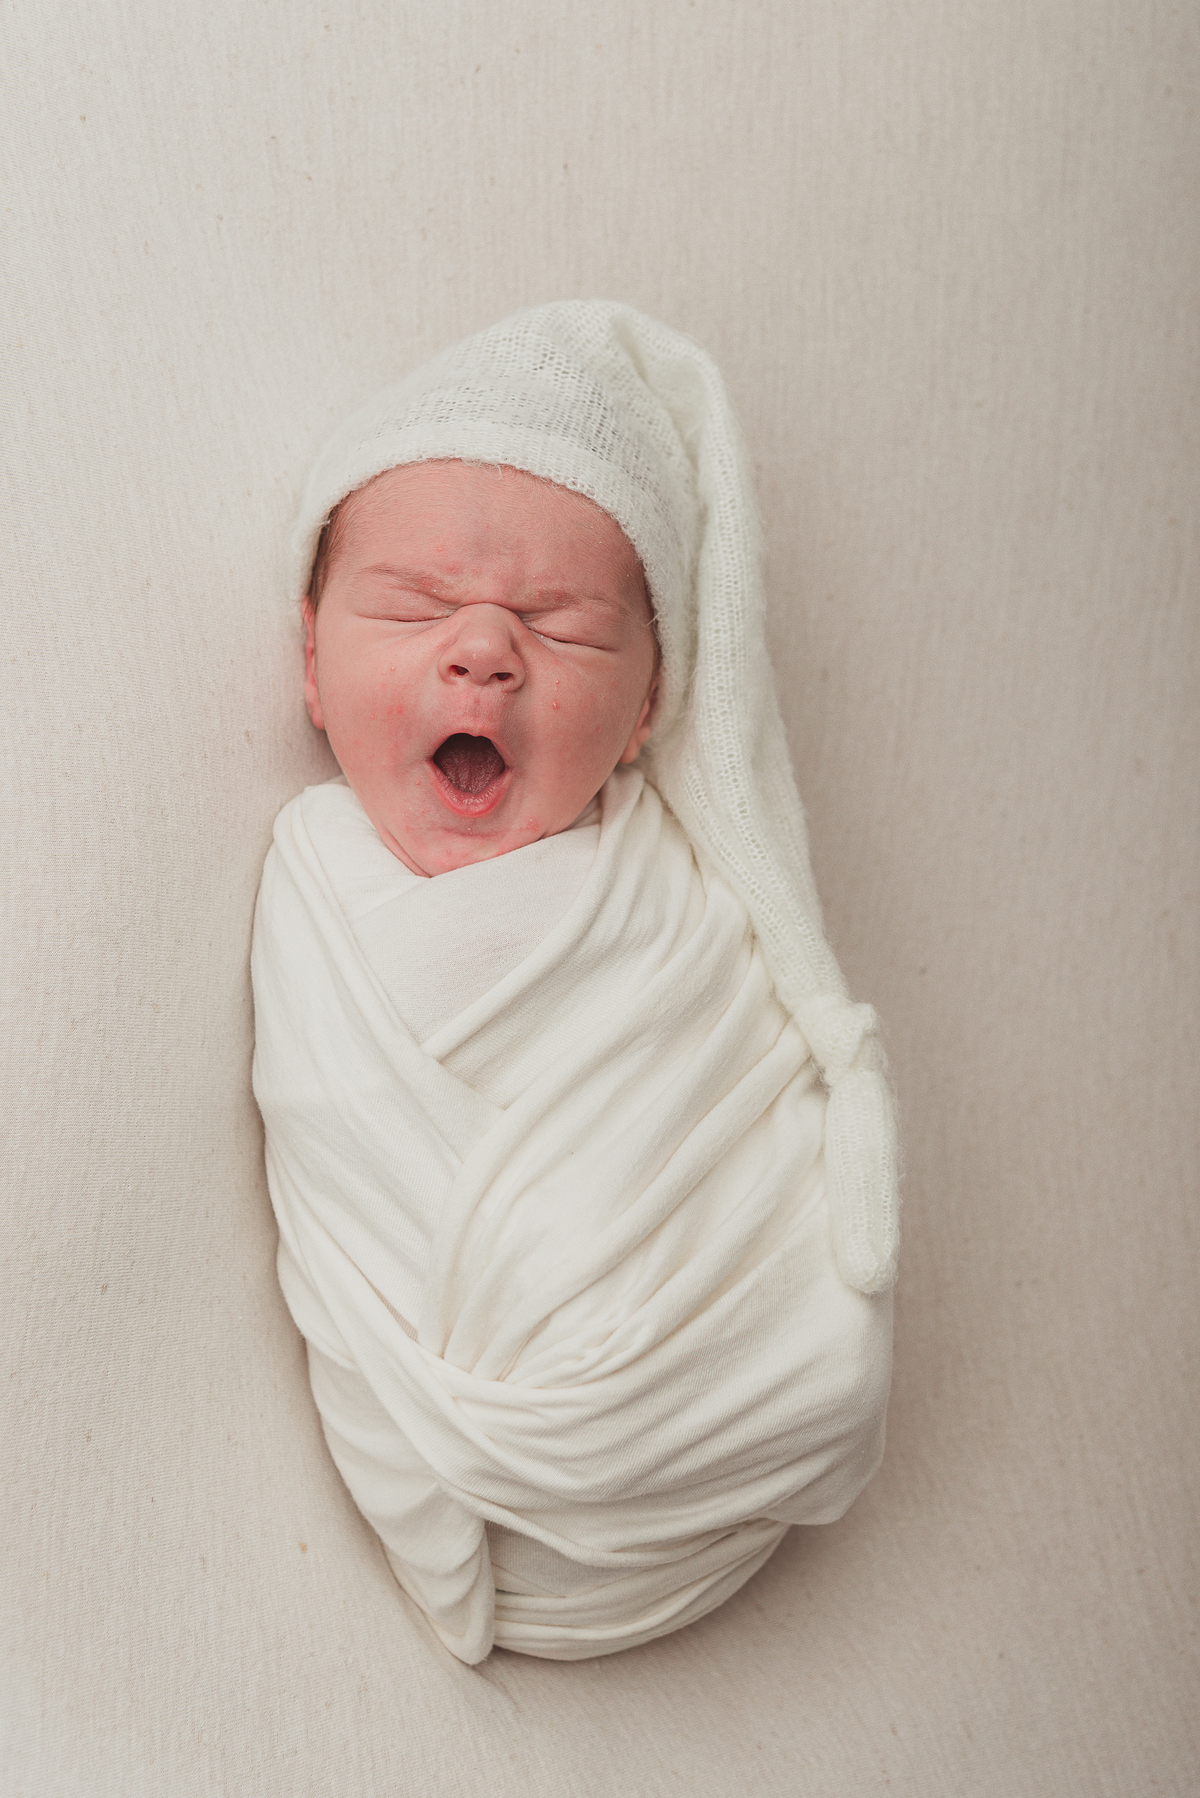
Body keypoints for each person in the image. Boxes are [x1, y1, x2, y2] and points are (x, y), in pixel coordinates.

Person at [251, 301, 899, 1663]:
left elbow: (748, 1100)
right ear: (309, 659)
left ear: (651, 703)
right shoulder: (314, 878)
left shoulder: (679, 896)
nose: (485, 648)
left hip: (712, 1426)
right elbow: (326, 1136)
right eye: (416, 604)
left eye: (564, 626)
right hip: (465, 1454)